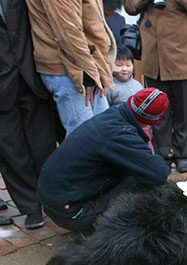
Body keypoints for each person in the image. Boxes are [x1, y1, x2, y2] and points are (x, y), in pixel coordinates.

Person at [37, 88, 170, 235]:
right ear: (150, 121)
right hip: (71, 212)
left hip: (54, 201)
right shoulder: (121, 133)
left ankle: (88, 221)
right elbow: (158, 174)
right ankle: (91, 230)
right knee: (143, 181)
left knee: (133, 168)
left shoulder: (111, 117)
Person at [124, 0, 187, 174]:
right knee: (157, 114)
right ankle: (162, 155)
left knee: (183, 112)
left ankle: (181, 155)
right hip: (154, 60)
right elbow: (130, 7)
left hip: (182, 60)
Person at [0, 0, 57, 230]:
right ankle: (30, 207)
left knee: (42, 144)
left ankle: (50, 197)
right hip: (3, 85)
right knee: (11, 150)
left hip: (32, 76)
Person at [26, 0, 116, 135]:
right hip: (71, 69)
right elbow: (68, 30)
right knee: (85, 140)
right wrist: (87, 73)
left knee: (101, 136)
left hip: (86, 63)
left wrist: (99, 67)